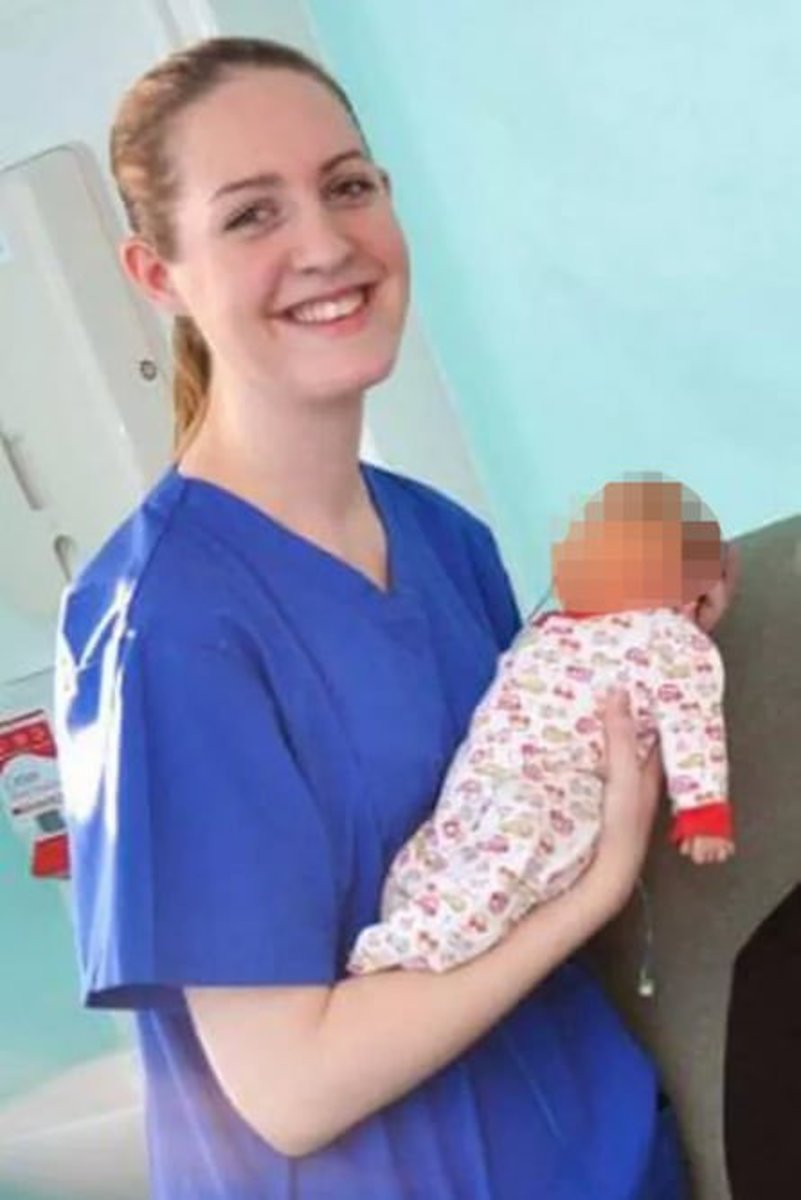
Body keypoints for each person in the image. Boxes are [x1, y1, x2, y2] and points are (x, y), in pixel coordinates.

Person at [54, 37, 734, 1200]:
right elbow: (291, 1093)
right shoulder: (162, 630)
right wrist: (596, 889)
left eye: (348, 185)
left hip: (619, 1163)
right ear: (157, 275)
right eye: (252, 214)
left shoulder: (443, 538)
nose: (326, 245)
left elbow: (523, 814)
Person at [349, 477, 735, 976]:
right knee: (437, 848)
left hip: (557, 787)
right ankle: (409, 914)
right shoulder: (551, 629)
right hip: (485, 774)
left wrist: (703, 808)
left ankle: (422, 945)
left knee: (513, 849)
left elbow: (693, 717)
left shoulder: (670, 639)